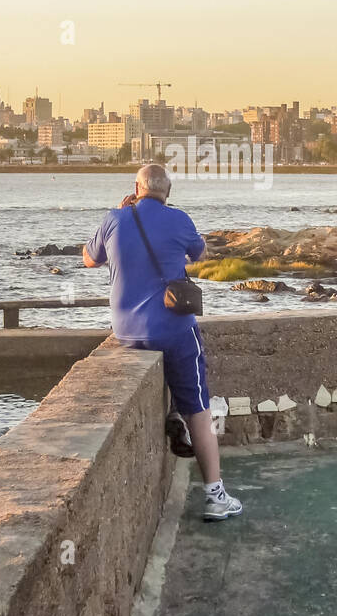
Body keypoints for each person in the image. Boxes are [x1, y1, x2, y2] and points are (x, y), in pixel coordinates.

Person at [82, 163, 242, 521]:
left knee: (176, 382)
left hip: (127, 332)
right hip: (174, 329)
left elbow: (89, 259)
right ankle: (216, 496)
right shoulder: (179, 219)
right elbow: (199, 253)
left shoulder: (115, 218)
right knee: (199, 409)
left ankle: (172, 415)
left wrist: (123, 214)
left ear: (136, 188)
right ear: (167, 192)